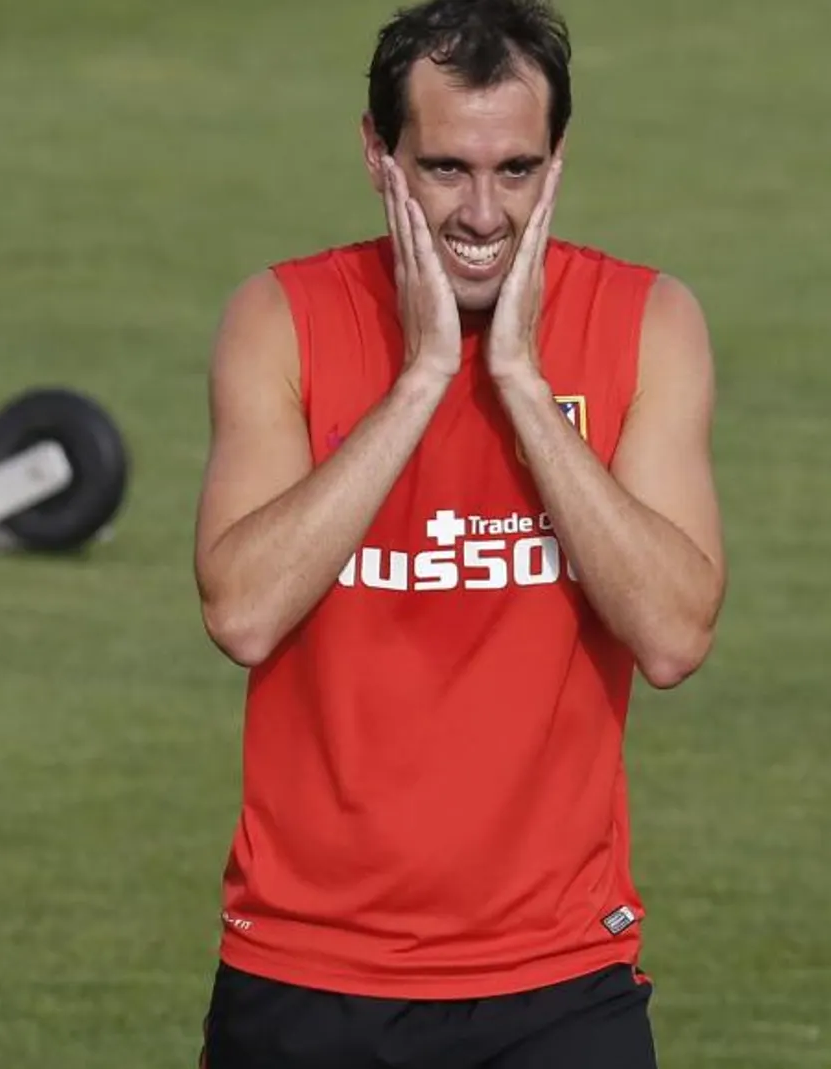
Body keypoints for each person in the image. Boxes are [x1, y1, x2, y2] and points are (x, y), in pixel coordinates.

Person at [191, 0, 725, 1065]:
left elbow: (672, 634)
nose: (482, 212)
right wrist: (426, 374)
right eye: (444, 170)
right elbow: (242, 611)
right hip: (304, 970)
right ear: (376, 155)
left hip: (562, 977)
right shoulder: (280, 318)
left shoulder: (645, 321)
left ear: (556, 162)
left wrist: (518, 381)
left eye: (516, 171)